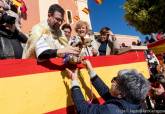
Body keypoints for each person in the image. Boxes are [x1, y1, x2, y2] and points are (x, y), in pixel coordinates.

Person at [66, 60, 151, 114]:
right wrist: (90, 70)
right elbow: (106, 93)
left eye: (115, 80)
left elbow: (84, 110)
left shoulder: (112, 110)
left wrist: (74, 81)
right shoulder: (132, 102)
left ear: (122, 93)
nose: (112, 81)